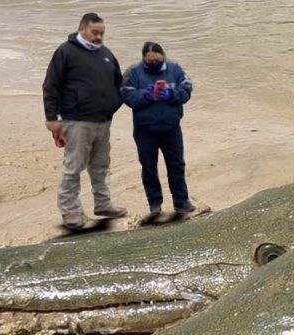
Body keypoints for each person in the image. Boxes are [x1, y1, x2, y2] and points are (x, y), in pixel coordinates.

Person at [43, 12, 128, 230]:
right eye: (94, 32)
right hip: (76, 121)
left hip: (103, 121)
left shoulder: (106, 54)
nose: (98, 37)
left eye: (102, 33)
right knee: (74, 167)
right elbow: (50, 85)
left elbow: (121, 84)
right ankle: (71, 214)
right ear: (82, 29)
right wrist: (51, 119)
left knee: (101, 165)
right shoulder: (66, 52)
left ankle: (103, 204)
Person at [120, 41, 194, 215]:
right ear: (144, 59)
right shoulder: (133, 72)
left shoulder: (175, 69)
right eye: (150, 61)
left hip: (171, 128)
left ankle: (181, 201)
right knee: (148, 167)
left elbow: (187, 89)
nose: (154, 63)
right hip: (145, 130)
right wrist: (146, 95)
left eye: (157, 60)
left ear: (163, 56)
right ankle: (155, 204)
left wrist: (171, 94)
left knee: (176, 165)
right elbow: (126, 95)